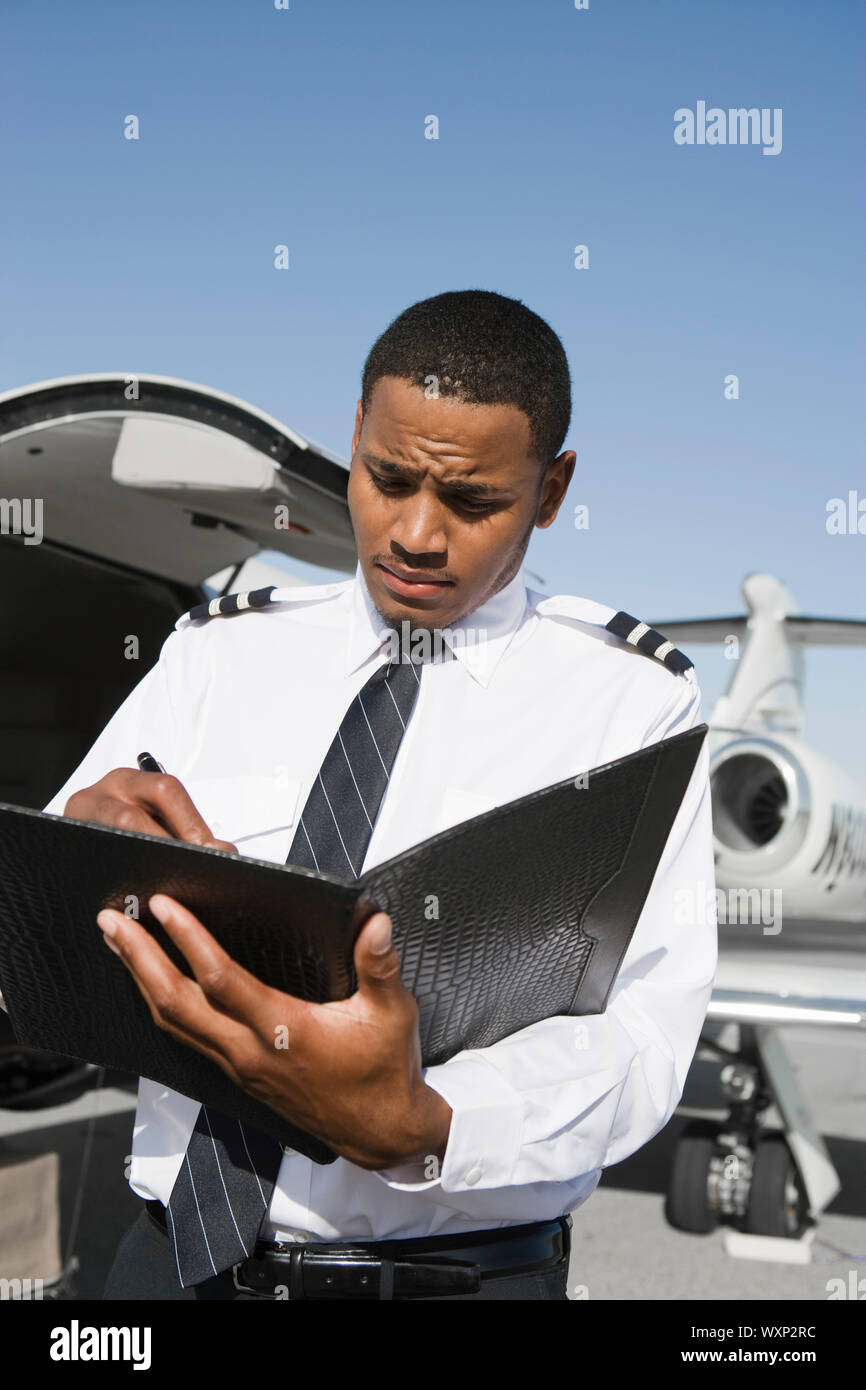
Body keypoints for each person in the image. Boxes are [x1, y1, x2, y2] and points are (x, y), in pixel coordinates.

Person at [41, 289, 716, 1300]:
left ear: (550, 488)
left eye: (471, 501)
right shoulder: (217, 654)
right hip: (169, 1266)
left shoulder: (628, 704)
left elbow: (642, 1034)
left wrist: (427, 1126)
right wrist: (66, 866)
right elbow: (33, 944)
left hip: (449, 1280)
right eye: (386, 477)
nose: (415, 534)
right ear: (354, 434)